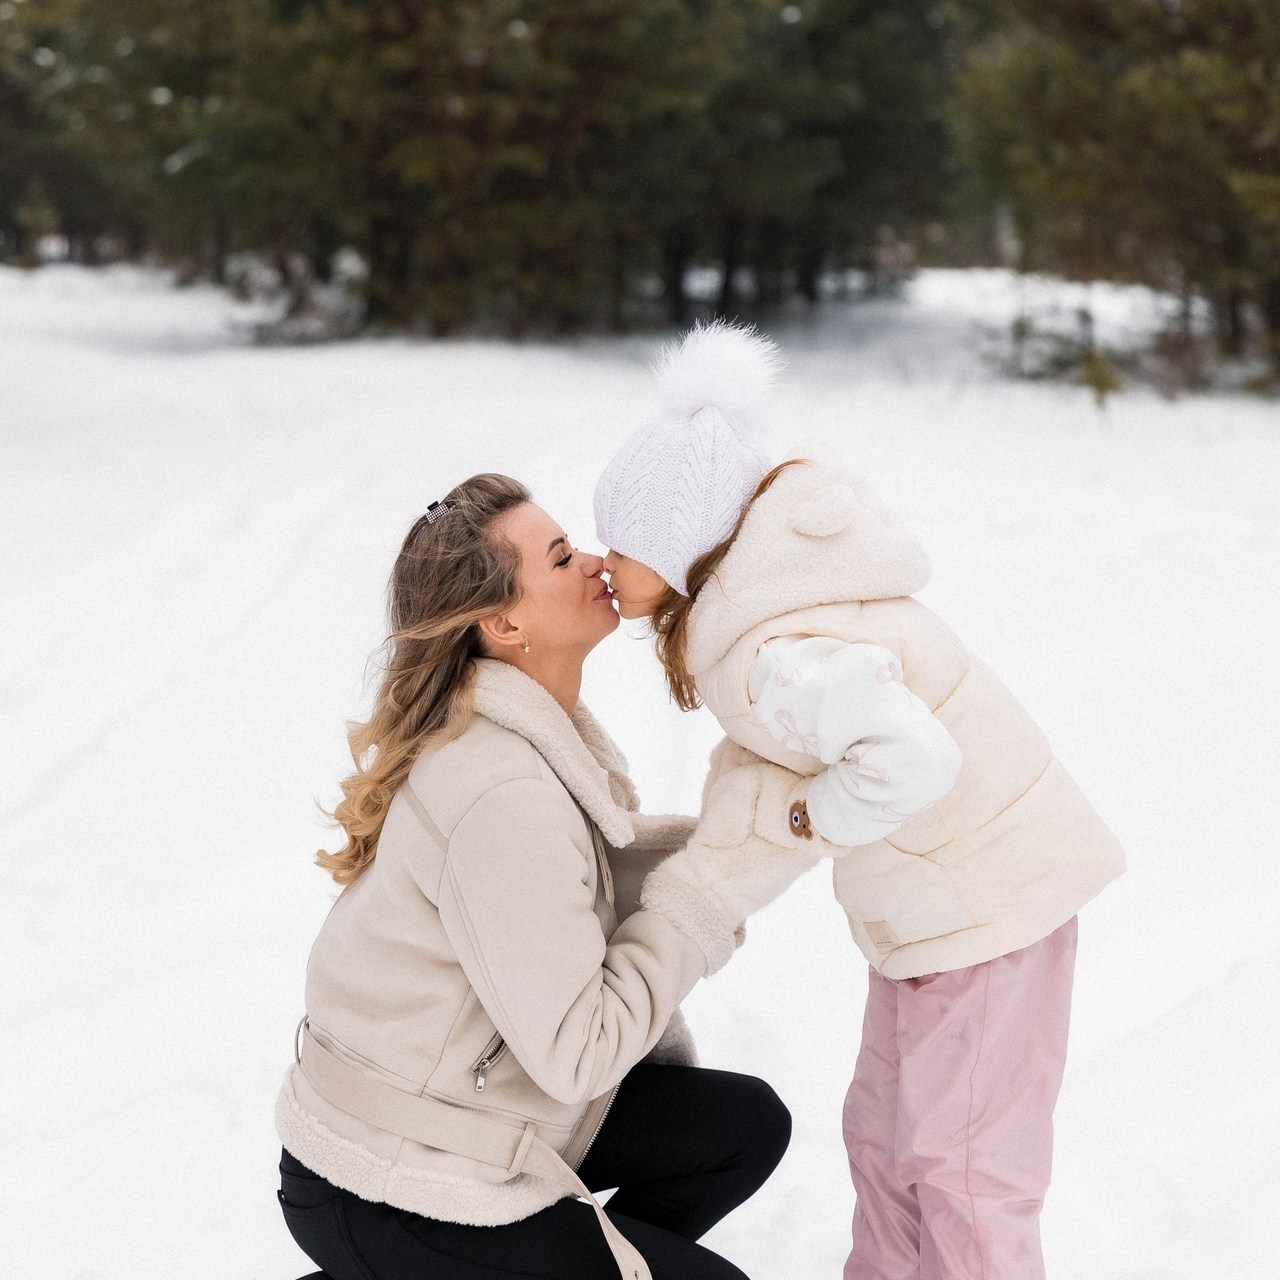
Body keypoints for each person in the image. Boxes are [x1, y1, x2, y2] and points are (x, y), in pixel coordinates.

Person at [594, 323, 1126, 1280]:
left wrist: (810, 821)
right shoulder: (770, 613)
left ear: (682, 551)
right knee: (884, 1137)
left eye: (620, 547)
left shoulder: (780, 649)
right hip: (934, 916)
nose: (603, 566)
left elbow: (911, 756)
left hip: (987, 910)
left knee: (964, 1165)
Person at [274, 473, 829, 1280]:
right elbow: (577, 1053)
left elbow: (575, 888)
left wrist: (735, 833)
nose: (598, 563)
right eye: (563, 558)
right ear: (504, 623)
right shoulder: (501, 795)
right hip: (389, 1182)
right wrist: (703, 893)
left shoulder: (515, 742)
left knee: (741, 1129)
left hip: (460, 1105)